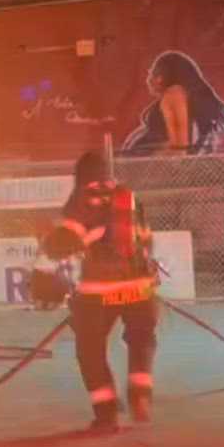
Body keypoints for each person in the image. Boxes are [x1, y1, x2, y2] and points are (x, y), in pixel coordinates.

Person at [34, 151, 161, 431]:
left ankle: (106, 415)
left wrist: (41, 275)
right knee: (142, 342)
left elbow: (63, 242)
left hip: (98, 291)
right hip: (140, 289)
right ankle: (140, 395)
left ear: (81, 176)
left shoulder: (82, 199)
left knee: (90, 350)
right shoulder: (129, 197)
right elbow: (147, 242)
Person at [121, 50, 224, 156]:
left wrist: (151, 160)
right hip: (143, 167)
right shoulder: (178, 96)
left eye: (152, 72)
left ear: (160, 77)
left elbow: (180, 148)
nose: (148, 79)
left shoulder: (174, 95)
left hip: (150, 168)